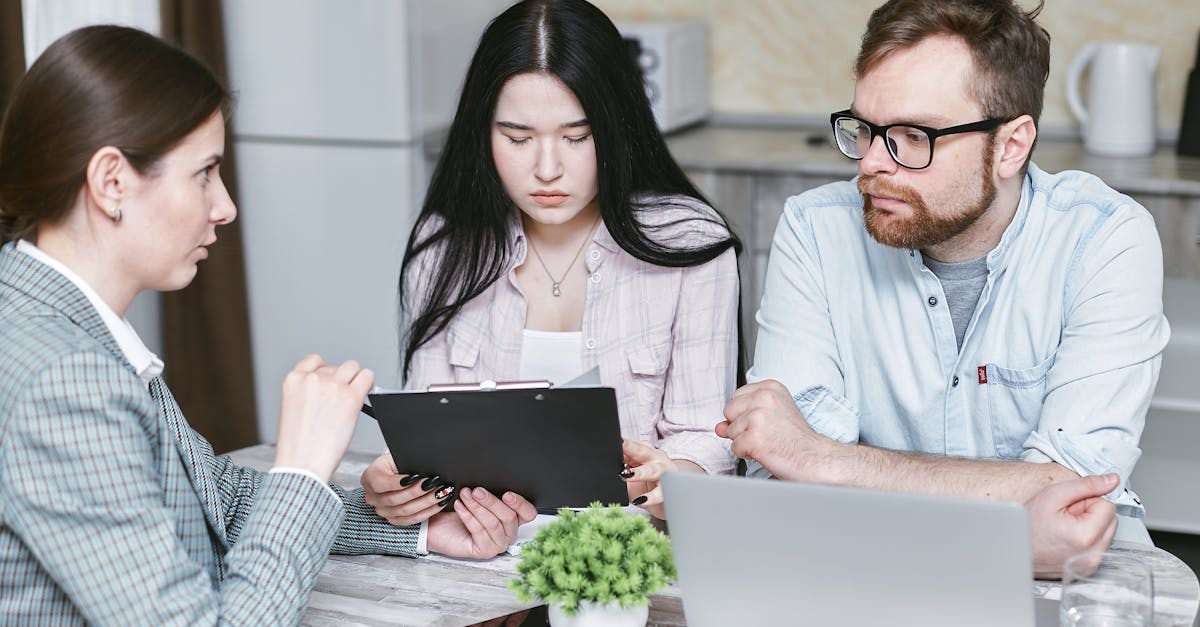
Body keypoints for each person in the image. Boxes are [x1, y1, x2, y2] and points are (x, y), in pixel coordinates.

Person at [0, 25, 534, 623]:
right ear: (111, 182)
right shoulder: (64, 380)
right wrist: (304, 464)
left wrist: (418, 530)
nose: (225, 206)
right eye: (204, 173)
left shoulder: (52, 319)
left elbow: (218, 501)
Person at [718, 0, 1168, 547]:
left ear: (1011, 146)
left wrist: (827, 461)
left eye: (914, 136)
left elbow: (1075, 492)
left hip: (1071, 577)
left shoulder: (1103, 238)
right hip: (861, 559)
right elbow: (782, 473)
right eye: (865, 128)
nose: (871, 163)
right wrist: (1012, 513)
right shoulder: (815, 229)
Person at [360, 0, 743, 522]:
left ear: (617, 127)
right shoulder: (445, 247)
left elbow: (708, 439)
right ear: (482, 133)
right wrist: (400, 487)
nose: (547, 169)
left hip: (632, 551)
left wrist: (675, 475)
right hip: (480, 552)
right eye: (518, 138)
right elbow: (427, 440)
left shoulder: (689, 242)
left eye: (576, 137)